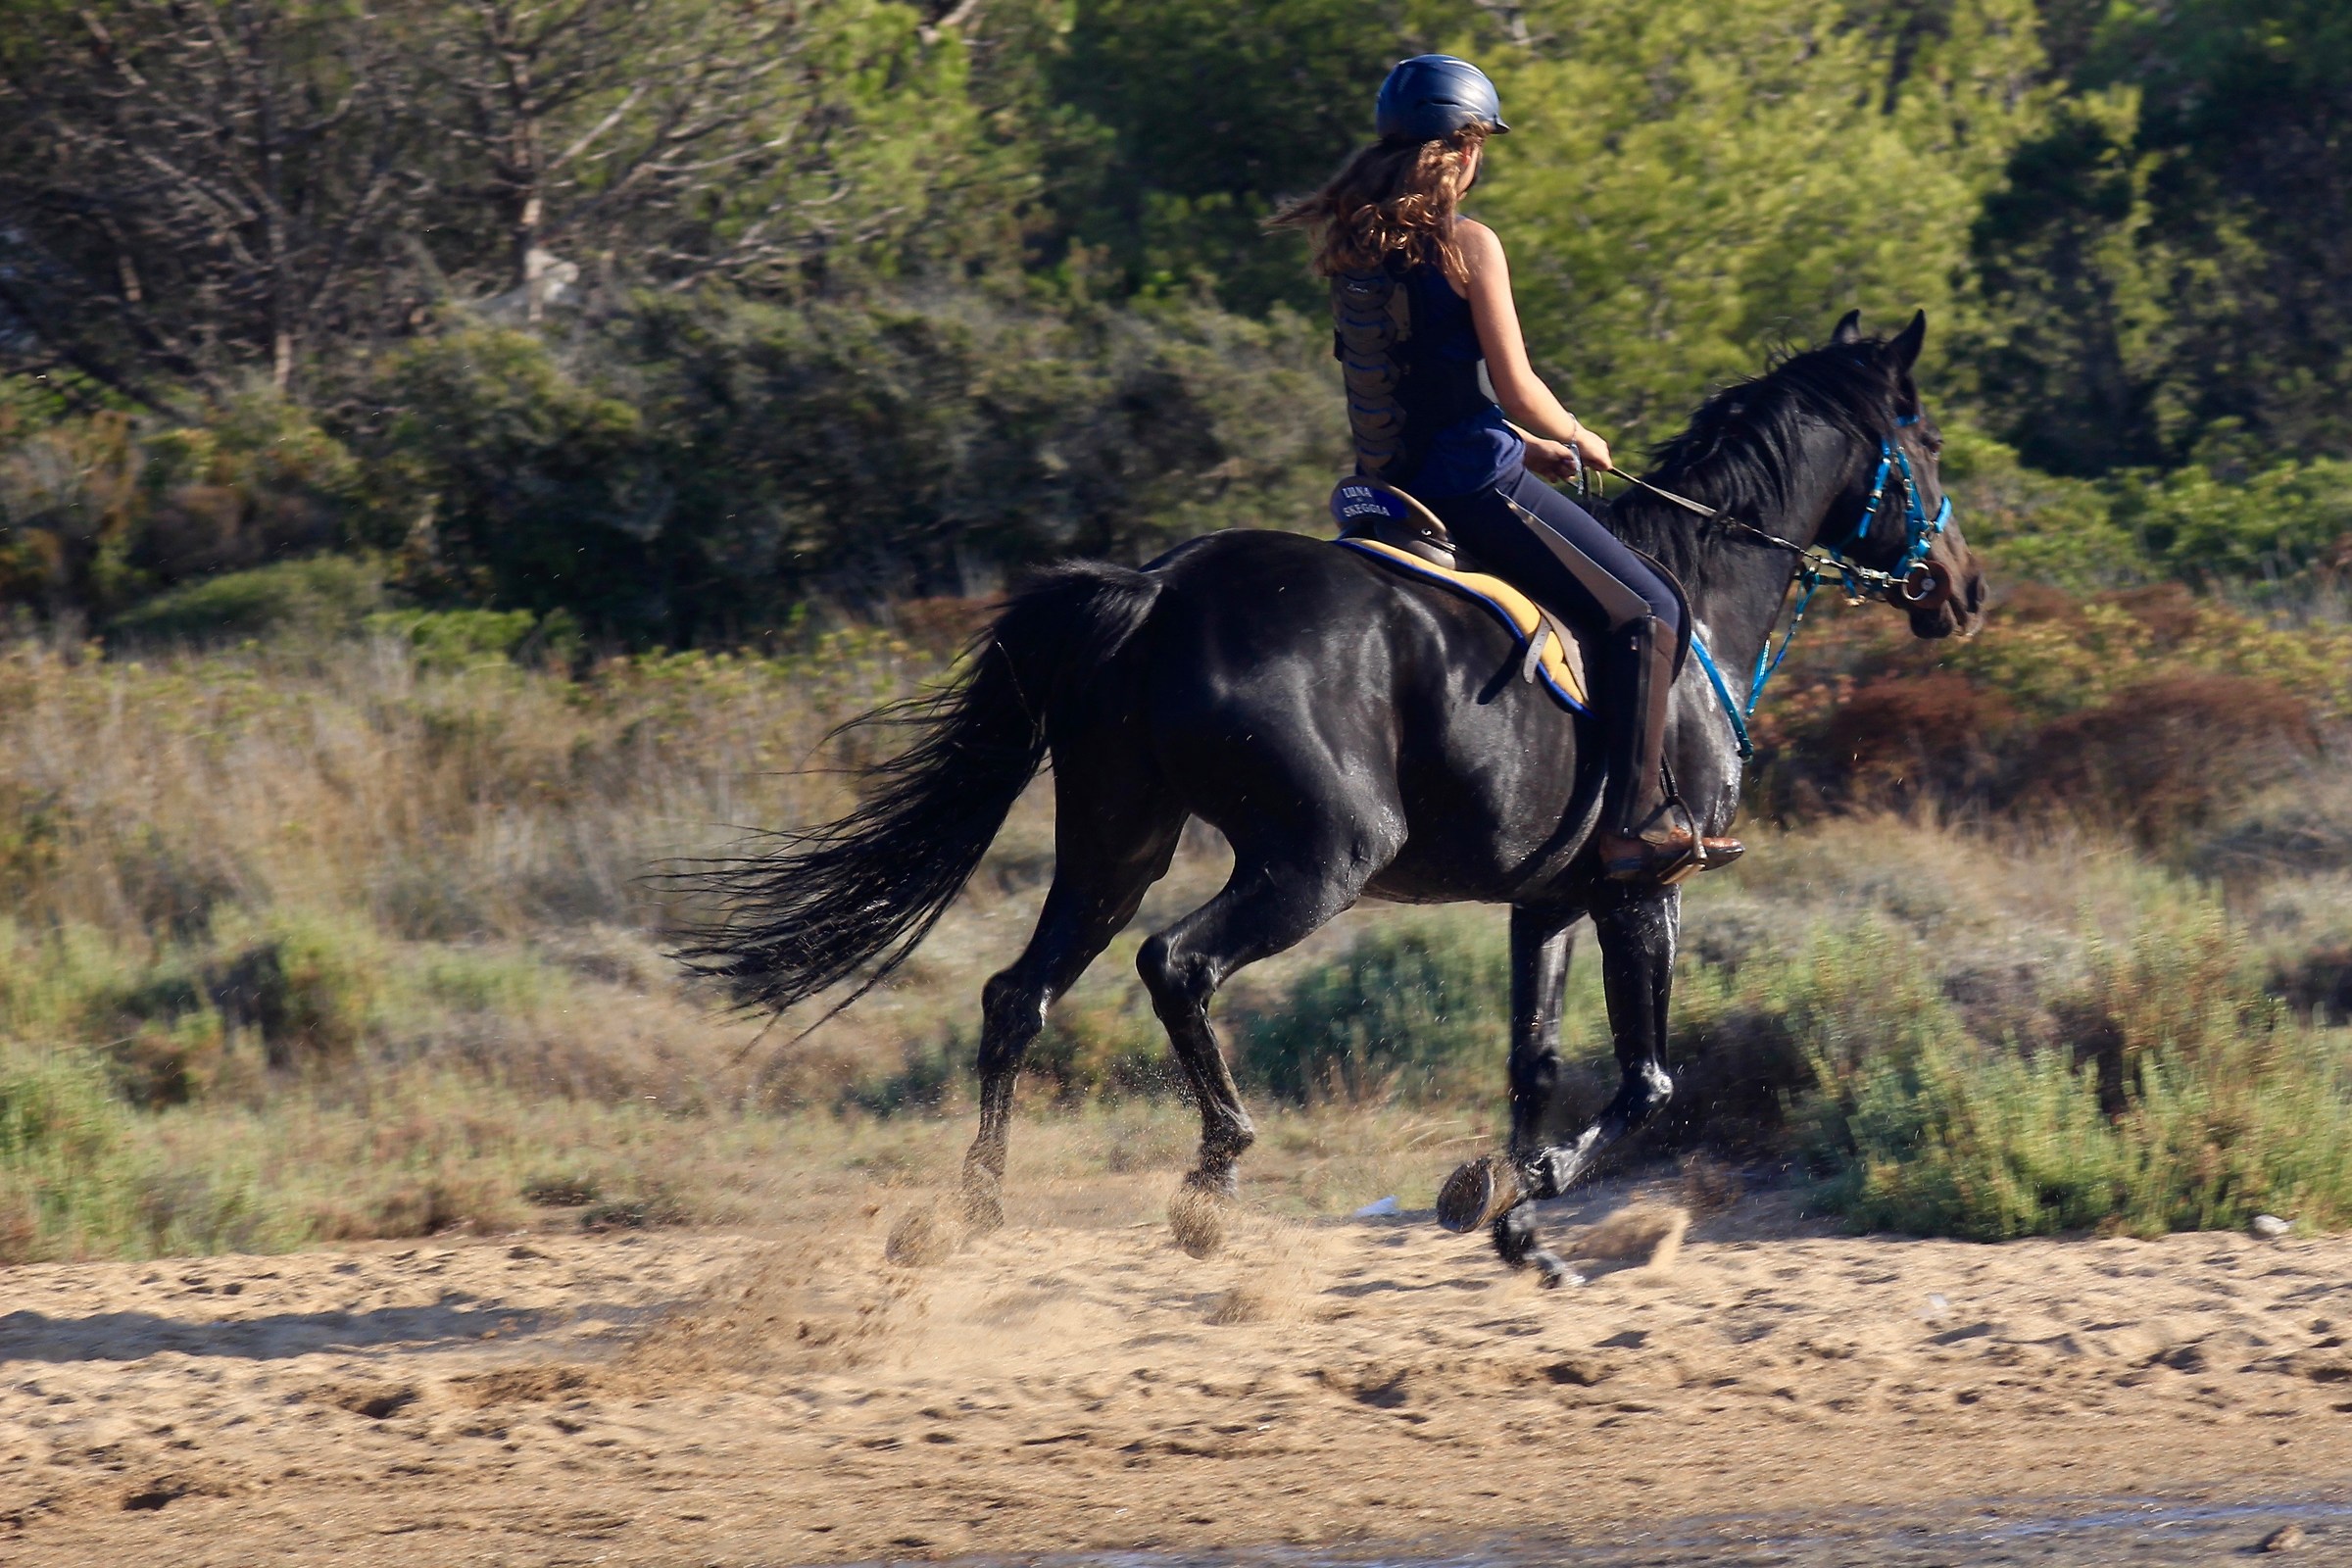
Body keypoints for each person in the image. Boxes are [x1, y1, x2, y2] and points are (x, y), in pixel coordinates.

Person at [1272, 54, 1742, 882]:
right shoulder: (1467, 243)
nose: (1479, 159)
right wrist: (1576, 433)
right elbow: (1517, 386)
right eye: (1479, 144)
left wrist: (1526, 446)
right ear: (1457, 149)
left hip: (1386, 493)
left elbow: (1408, 382)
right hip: (1472, 489)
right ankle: (1635, 824)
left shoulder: (1351, 243)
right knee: (1653, 608)